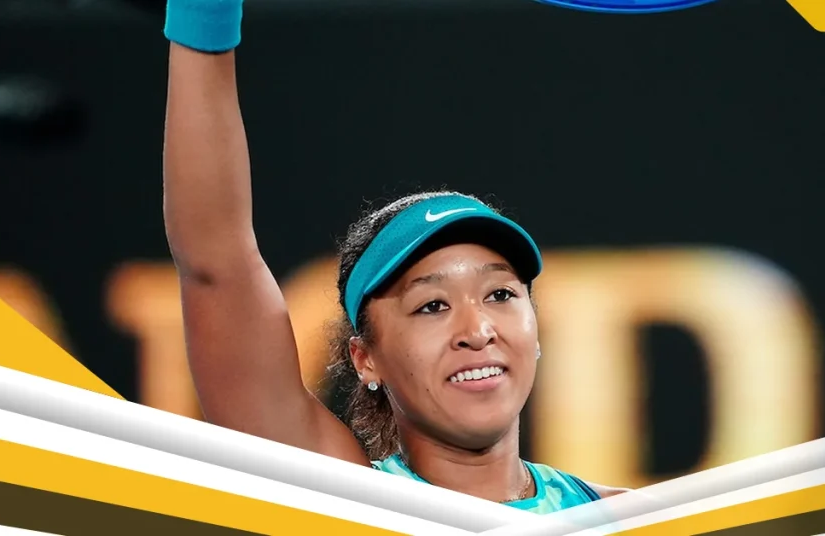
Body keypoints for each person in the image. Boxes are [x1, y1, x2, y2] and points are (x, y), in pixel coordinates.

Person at [161, 0, 628, 513]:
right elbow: (217, 264)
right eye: (432, 305)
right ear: (366, 359)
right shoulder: (345, 507)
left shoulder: (634, 518)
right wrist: (204, 12)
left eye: (499, 294)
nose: (477, 331)